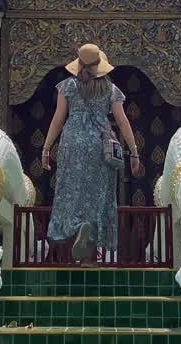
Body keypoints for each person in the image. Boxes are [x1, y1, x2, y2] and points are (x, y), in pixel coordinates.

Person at [41, 43, 143, 262]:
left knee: (71, 193)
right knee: (99, 197)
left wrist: (46, 148)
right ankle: (90, 255)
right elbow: (123, 122)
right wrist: (134, 152)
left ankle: (79, 226)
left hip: (72, 143)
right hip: (100, 145)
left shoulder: (67, 86)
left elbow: (58, 119)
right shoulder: (110, 89)